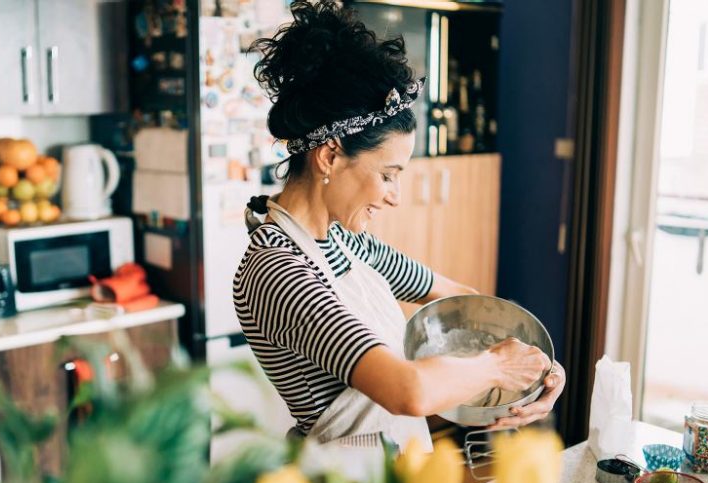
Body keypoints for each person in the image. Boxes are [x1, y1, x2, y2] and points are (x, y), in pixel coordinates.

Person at [234, 0, 565, 451]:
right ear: (329, 156)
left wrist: (538, 366)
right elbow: (406, 390)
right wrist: (496, 367)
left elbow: (463, 302)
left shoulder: (350, 243)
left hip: (395, 472)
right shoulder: (276, 270)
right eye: (387, 174)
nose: (395, 195)